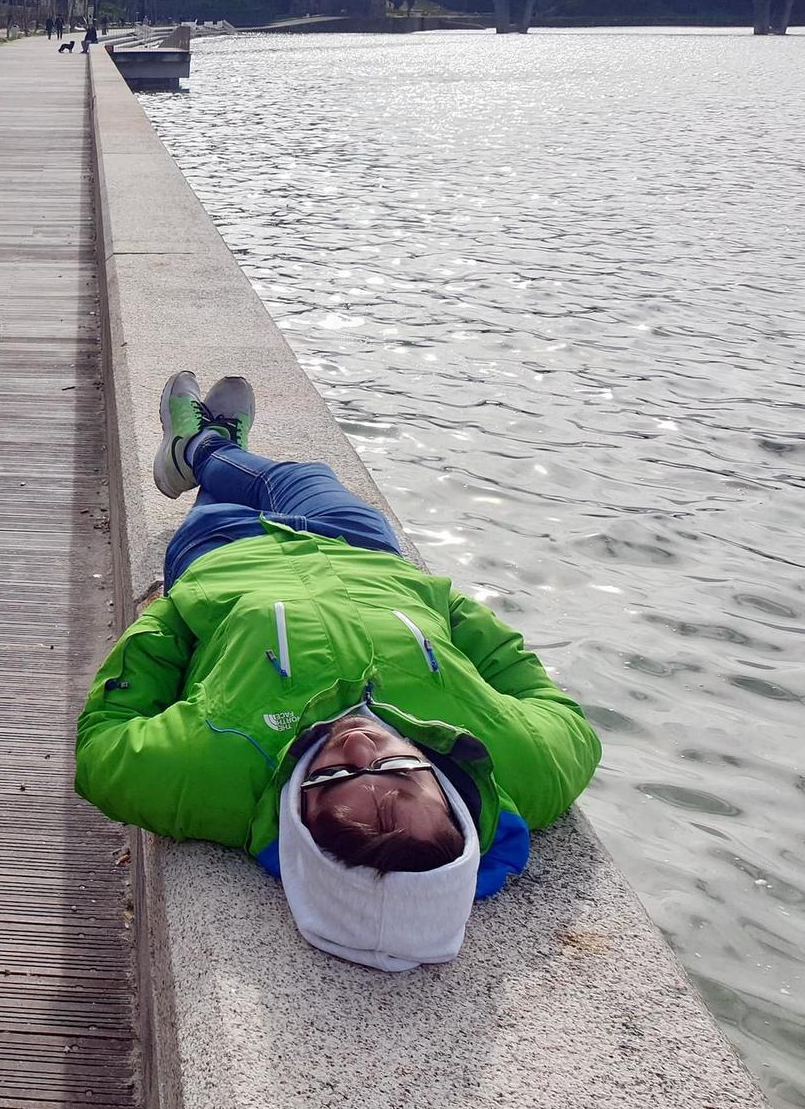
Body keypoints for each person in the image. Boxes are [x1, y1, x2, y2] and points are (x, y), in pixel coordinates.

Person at [74, 371, 600, 973]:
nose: (358, 743)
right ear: (451, 804)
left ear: (301, 827)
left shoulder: (203, 774)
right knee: (307, 477)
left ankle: (202, 451)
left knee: (226, 498)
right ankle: (206, 450)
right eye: (402, 769)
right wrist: (445, 607)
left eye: (332, 779)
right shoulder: (526, 763)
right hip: (365, 553)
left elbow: (103, 740)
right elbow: (561, 711)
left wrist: (171, 619)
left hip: (223, 558)